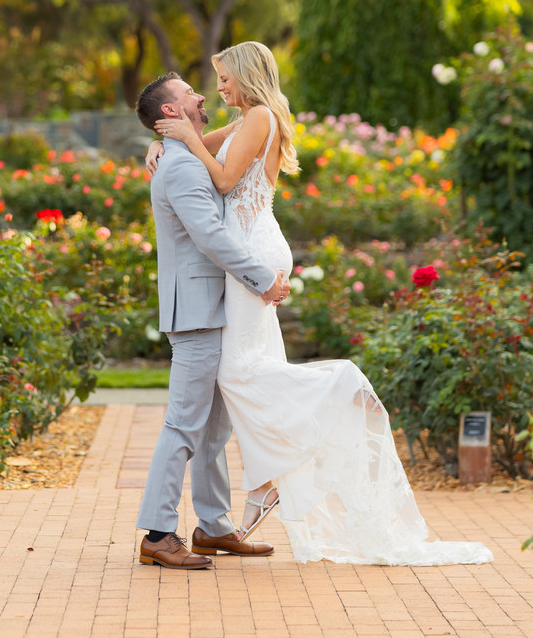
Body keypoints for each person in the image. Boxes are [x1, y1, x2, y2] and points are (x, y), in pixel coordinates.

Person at [146, 41, 493, 565]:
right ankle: (236, 502)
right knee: (225, 397)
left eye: (221, 80)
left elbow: (217, 174)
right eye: (201, 88)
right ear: (172, 112)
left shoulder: (260, 115)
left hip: (252, 254)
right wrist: (160, 146)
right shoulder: (244, 122)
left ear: (246, 76)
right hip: (244, 261)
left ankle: (290, 448)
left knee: (241, 377)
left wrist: (181, 143)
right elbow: (199, 145)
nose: (213, 91)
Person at [134, 72, 290, 570]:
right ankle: (158, 533)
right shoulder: (179, 168)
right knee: (183, 424)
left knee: (212, 430)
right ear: (171, 114)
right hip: (199, 314)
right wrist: (262, 279)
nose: (202, 95)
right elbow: (210, 237)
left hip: (218, 310)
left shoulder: (185, 154)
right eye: (189, 95)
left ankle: (214, 528)